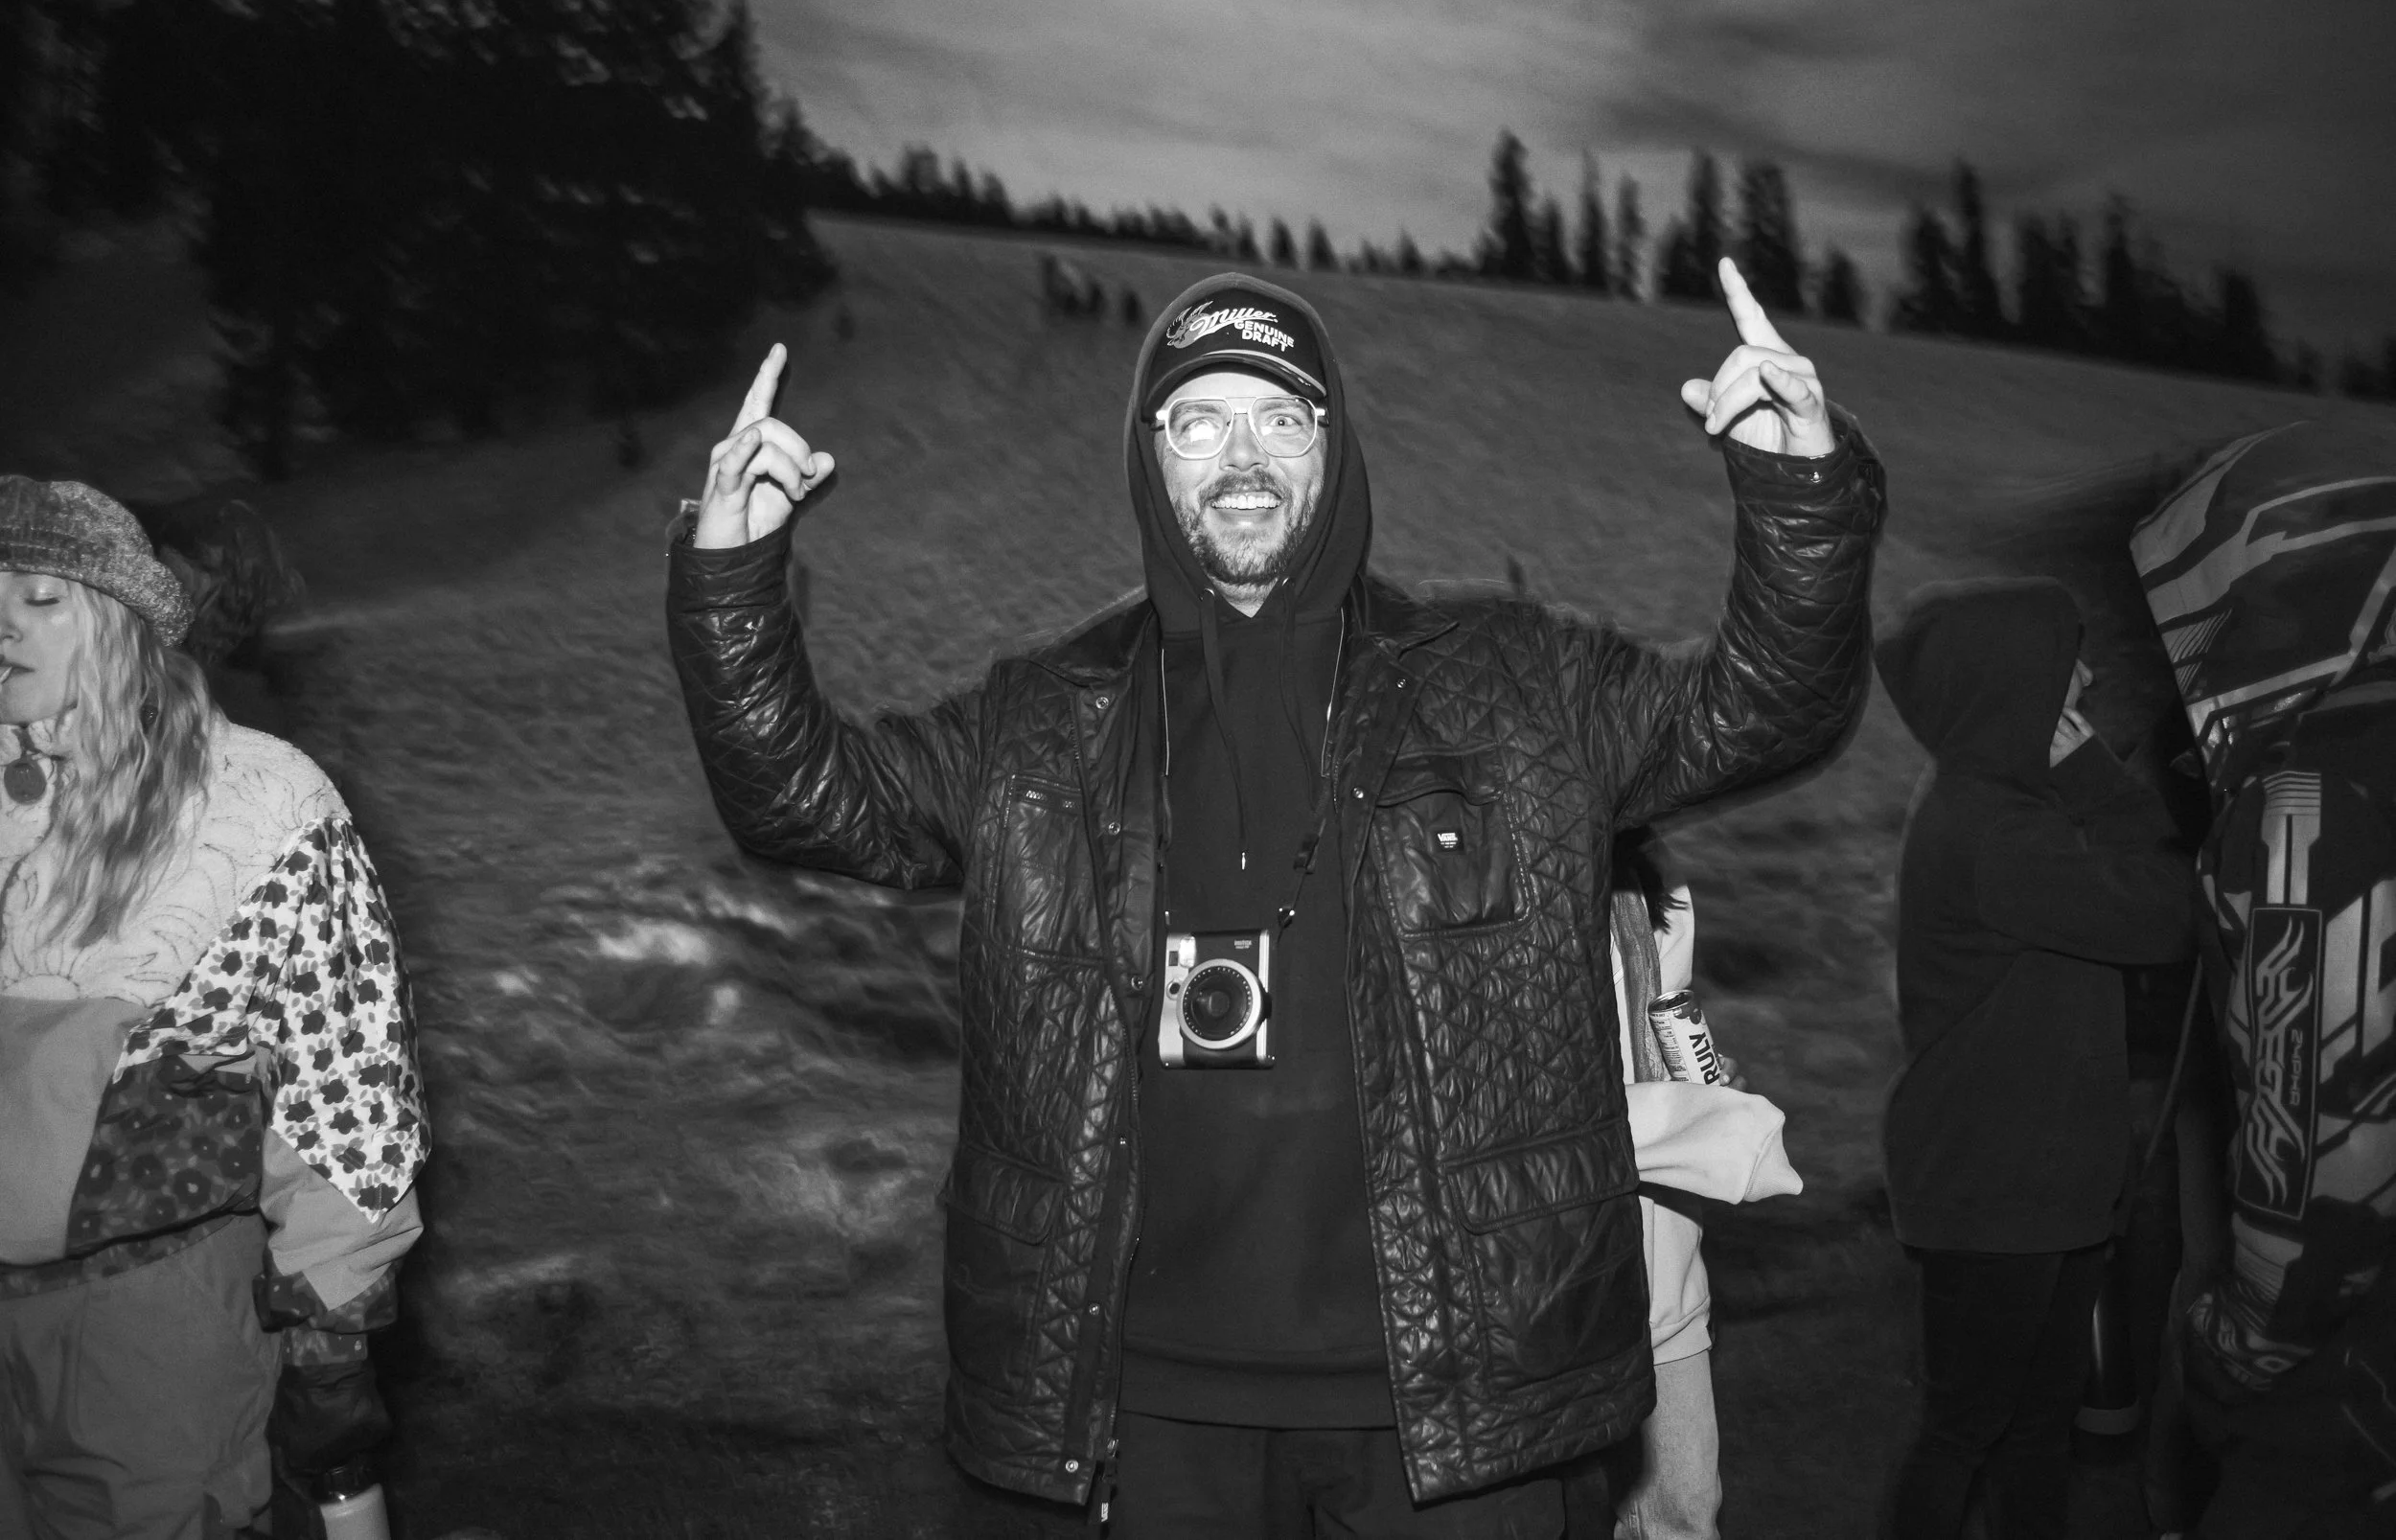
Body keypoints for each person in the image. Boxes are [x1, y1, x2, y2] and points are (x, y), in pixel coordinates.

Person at [667, 260, 1885, 1533]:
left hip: (1456, 1401)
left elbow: (1758, 711)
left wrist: (1799, 492)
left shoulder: (1515, 683)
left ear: (1331, 445)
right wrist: (732, 580)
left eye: (1279, 417)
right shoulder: (1043, 720)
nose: (1240, 457)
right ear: (1152, 460)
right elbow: (805, 798)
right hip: (1141, 1411)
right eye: (1198, 420)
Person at [0, 477, 426, 1538]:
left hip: (149, 1317)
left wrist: (330, 1344)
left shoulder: (257, 801)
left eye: (43, 594)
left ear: (120, 621)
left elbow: (345, 1090)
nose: (3, 617)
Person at [1872, 576, 2200, 1540]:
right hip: (1995, 1187)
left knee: (2028, 1429)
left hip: (2030, 1181)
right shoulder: (1999, 831)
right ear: (2008, 683)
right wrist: (2097, 770)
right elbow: (2167, 911)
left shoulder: (2002, 805)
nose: (2088, 675)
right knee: (1966, 1430)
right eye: (2066, 661)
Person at [2127, 416, 2396, 1537]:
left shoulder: (2301, 809)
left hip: (2342, 1383)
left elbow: (2318, 1158)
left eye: (2236, 610)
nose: (2206, 652)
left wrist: (2231, 1344)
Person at [1604, 829, 1722, 1540]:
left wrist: (1704, 1088)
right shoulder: (1490, 870)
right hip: (1550, 1293)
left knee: (1683, 1517)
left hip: (1665, 1286)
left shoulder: (1659, 886)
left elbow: (1659, 1026)